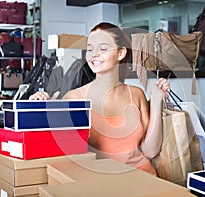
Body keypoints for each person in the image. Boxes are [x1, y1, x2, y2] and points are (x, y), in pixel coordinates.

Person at [29, 22, 170, 175]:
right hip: (102, 180)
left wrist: (156, 100)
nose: (94, 54)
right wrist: (39, 110)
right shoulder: (74, 98)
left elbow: (150, 151)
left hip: (144, 176)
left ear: (121, 53)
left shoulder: (136, 94)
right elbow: (60, 148)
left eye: (102, 48)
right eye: (89, 49)